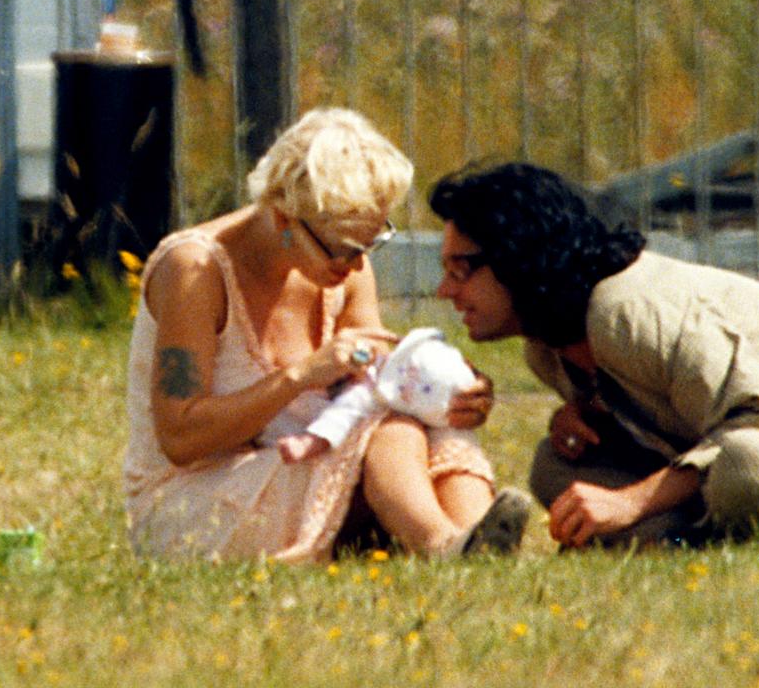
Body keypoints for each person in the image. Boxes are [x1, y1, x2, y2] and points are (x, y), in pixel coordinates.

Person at [429, 161, 759, 551]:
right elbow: (679, 420)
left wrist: (630, 503)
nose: (444, 292)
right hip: (752, 472)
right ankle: (679, 546)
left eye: (461, 270)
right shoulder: (548, 350)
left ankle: (671, 535)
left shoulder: (625, 308)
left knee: (747, 465)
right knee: (555, 465)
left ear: (518, 257)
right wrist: (590, 418)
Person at [123, 108, 529, 563]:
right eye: (345, 250)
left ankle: (478, 540)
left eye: (372, 244)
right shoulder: (194, 271)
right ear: (282, 218)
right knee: (388, 430)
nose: (357, 266)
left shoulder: (342, 266)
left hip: (300, 466)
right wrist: (302, 375)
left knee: (420, 418)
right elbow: (180, 440)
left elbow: (376, 389)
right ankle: (445, 545)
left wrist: (452, 392)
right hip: (193, 500)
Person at [268, 327, 479, 457]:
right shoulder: (377, 367)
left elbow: (339, 417)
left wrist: (309, 443)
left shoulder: (366, 394)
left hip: (285, 430)